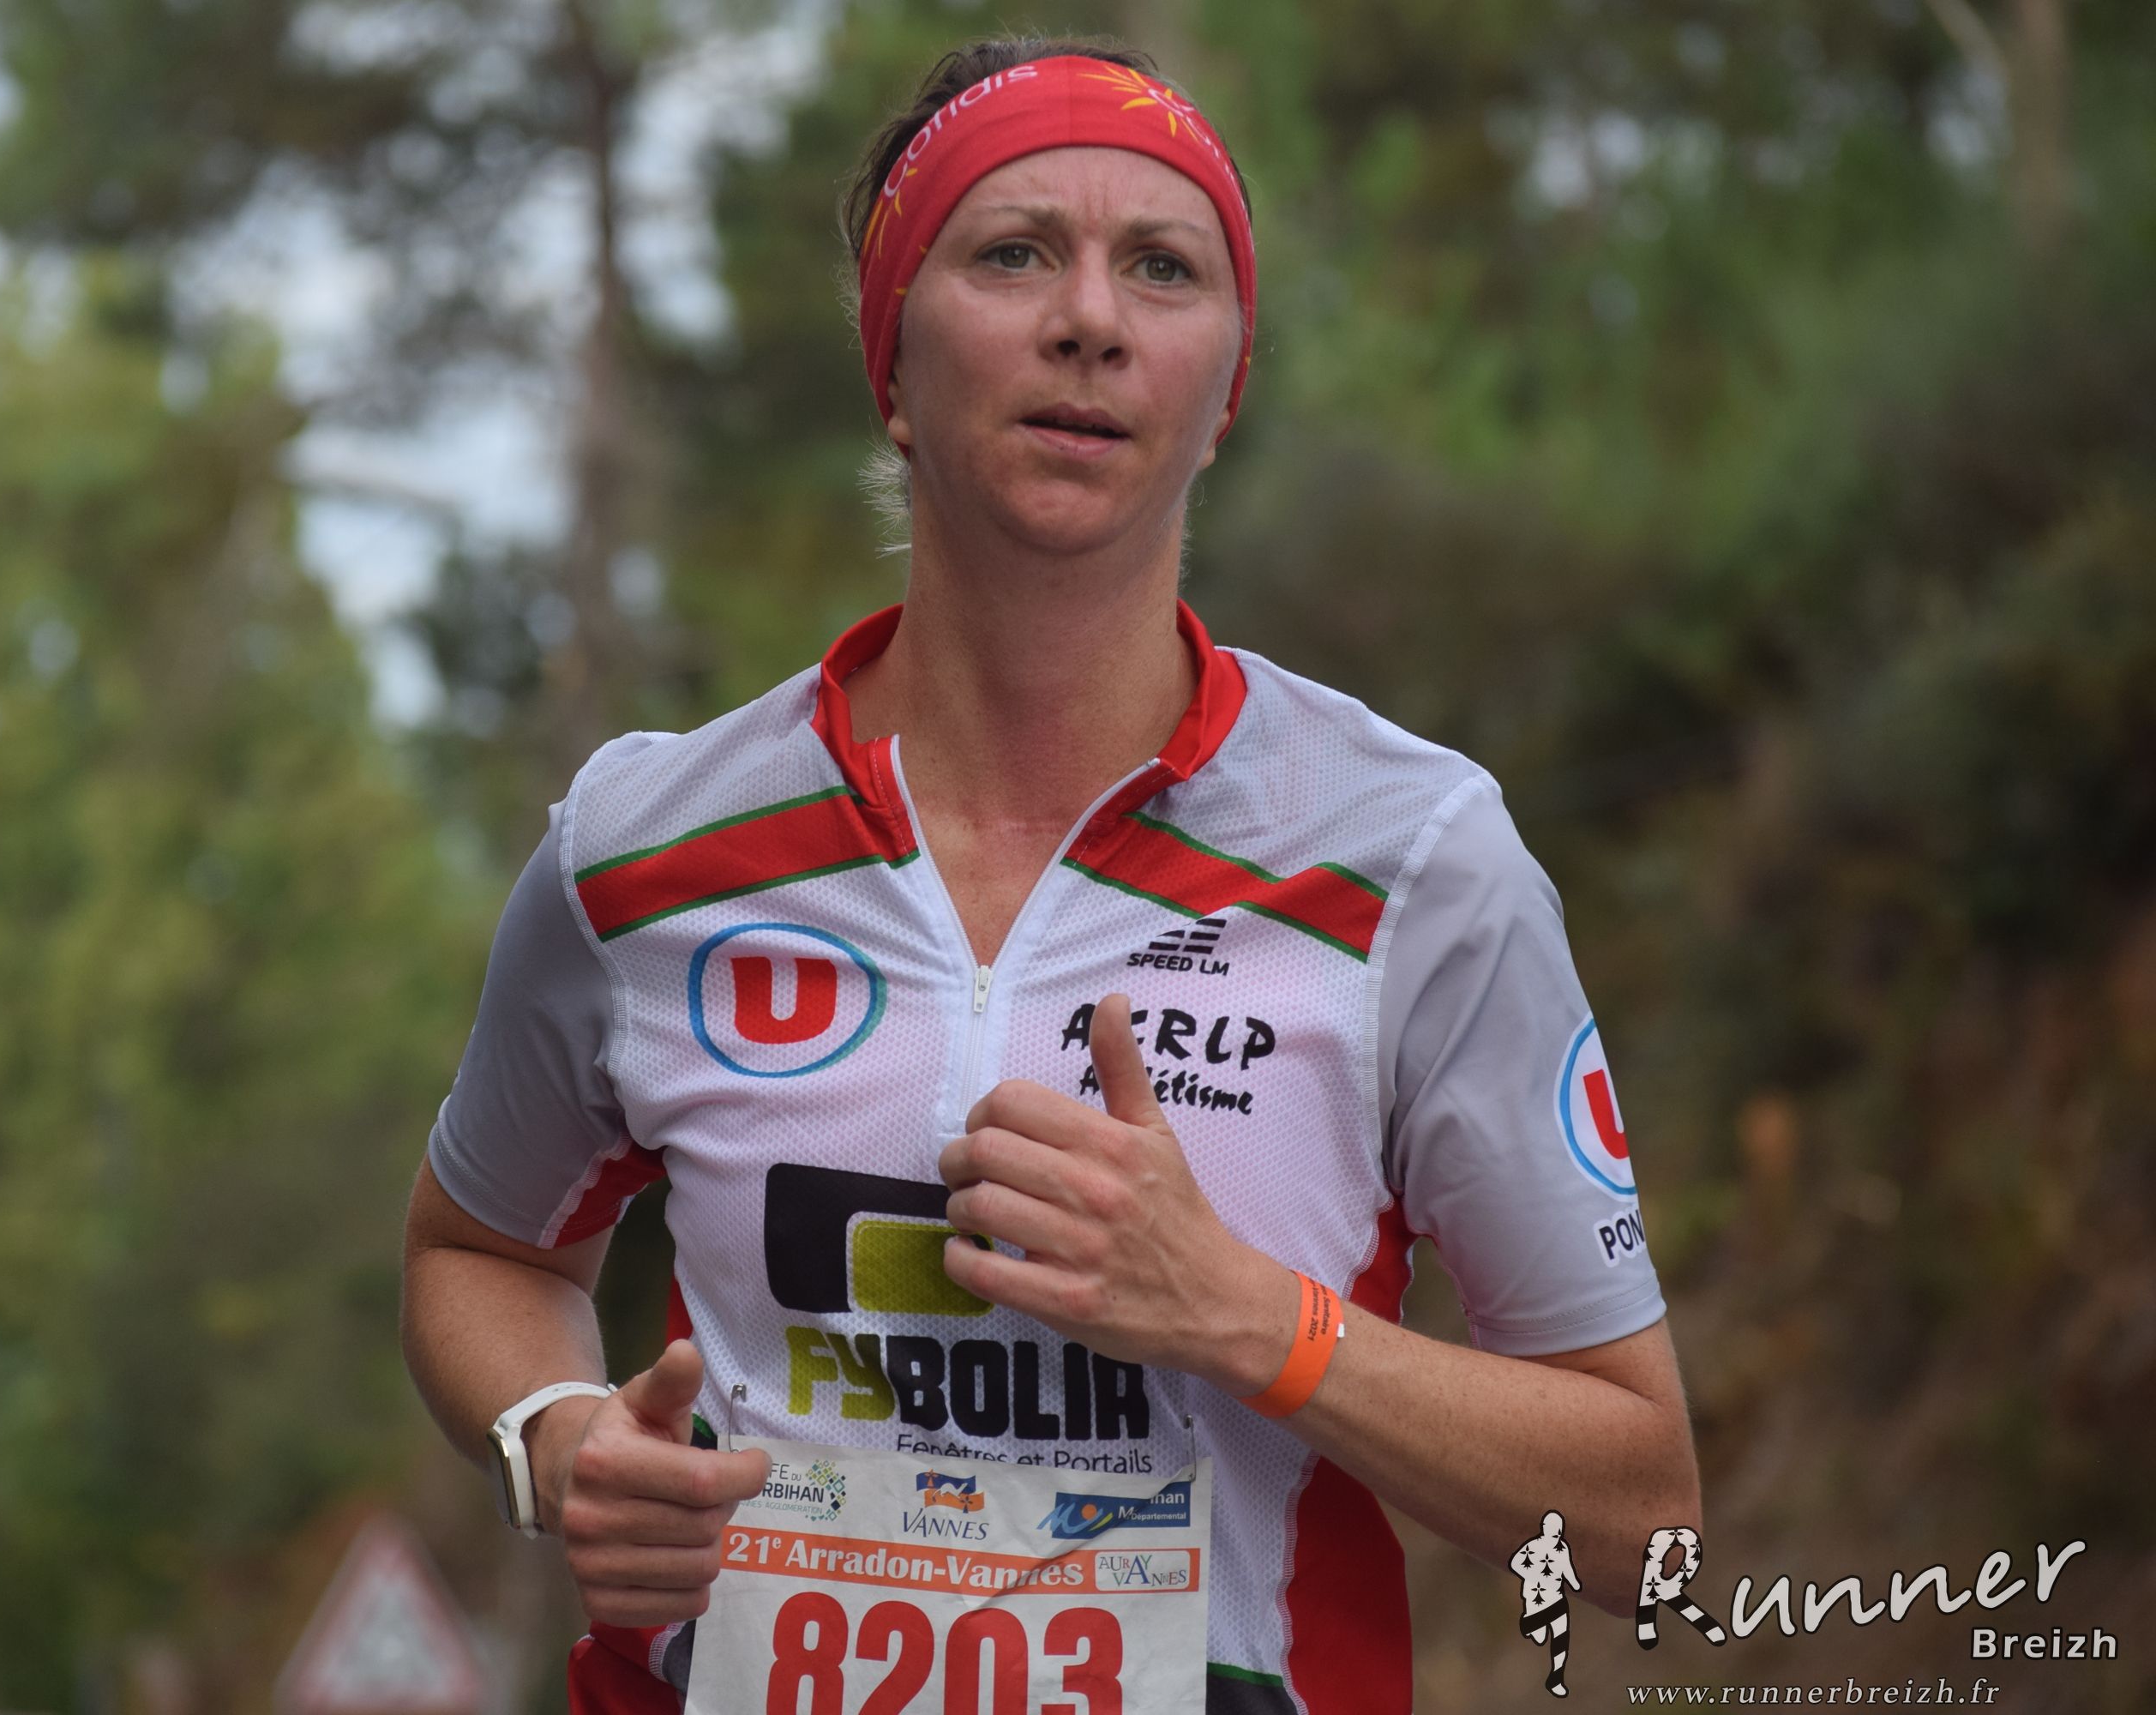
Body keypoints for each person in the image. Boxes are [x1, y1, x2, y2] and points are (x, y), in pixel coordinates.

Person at [400, 33, 1701, 1714]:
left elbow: (1643, 1521)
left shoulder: (1412, 860)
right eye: (1012, 254)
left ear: (1223, 397)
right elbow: (478, 1250)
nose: (1090, 317)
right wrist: (558, 1440)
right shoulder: (643, 847)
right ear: (891, 370)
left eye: (1161, 268)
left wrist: (1253, 1322)